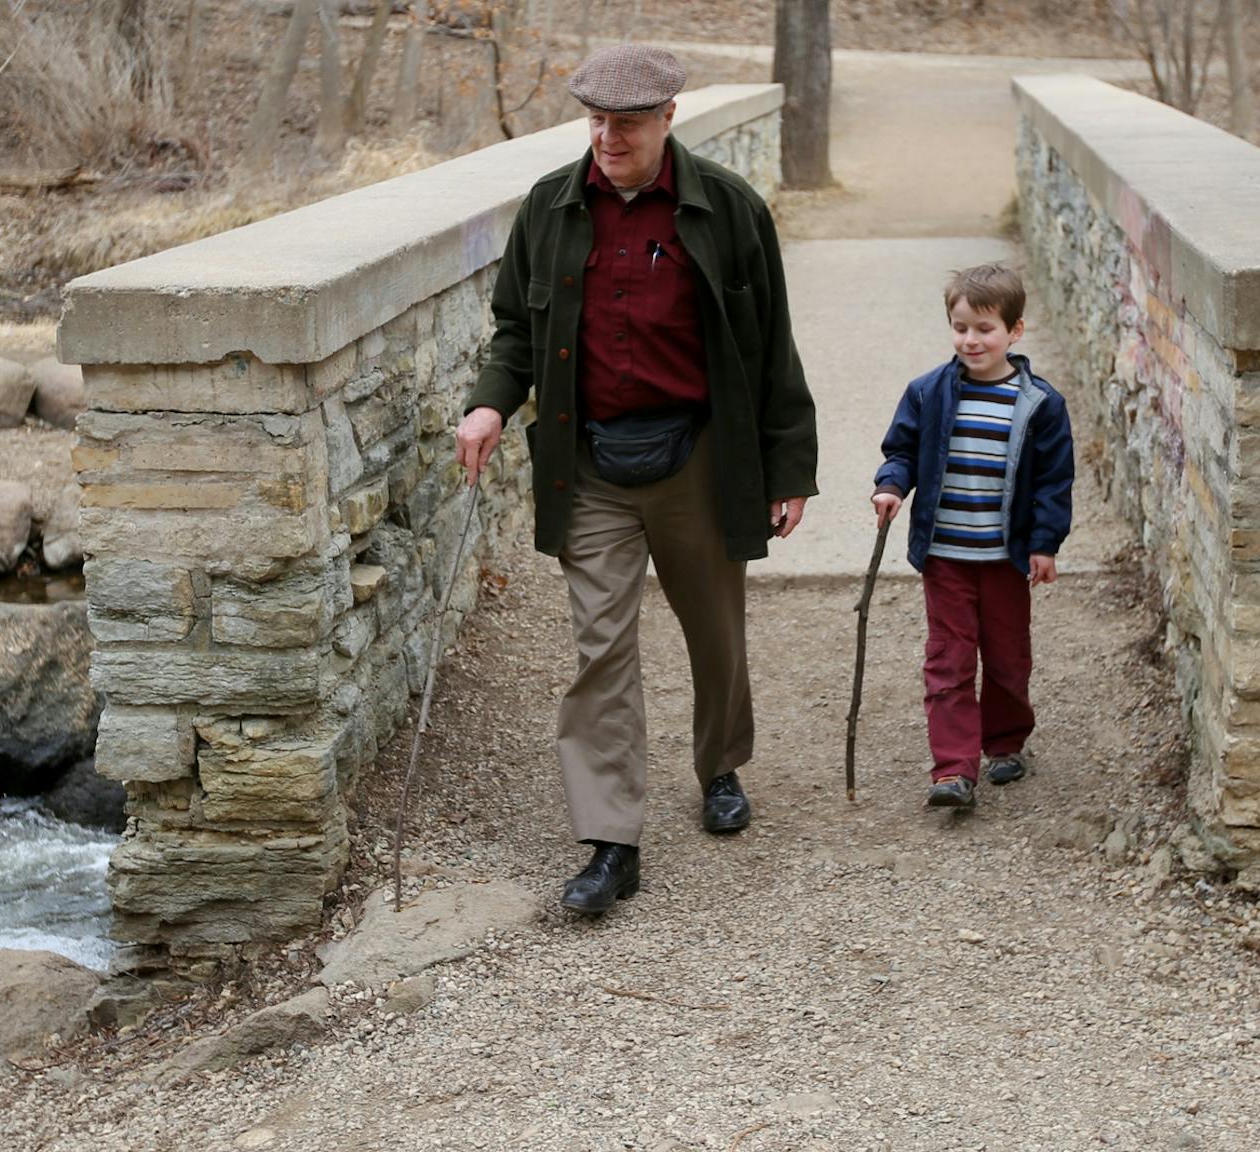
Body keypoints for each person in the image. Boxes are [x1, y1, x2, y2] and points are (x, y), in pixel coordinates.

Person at [455, 44, 819, 913]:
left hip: (698, 454)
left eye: (626, 122)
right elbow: (513, 332)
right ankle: (611, 841)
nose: (607, 137)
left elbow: (770, 346)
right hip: (589, 464)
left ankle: (720, 763)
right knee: (600, 648)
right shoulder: (548, 206)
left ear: (667, 120)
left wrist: (788, 464)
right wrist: (490, 406)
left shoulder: (728, 209)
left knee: (714, 630)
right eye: (595, 119)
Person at [871, 264, 1073, 809]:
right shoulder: (927, 392)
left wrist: (1045, 544)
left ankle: (1005, 742)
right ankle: (953, 769)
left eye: (984, 328)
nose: (970, 339)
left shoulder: (1040, 405)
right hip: (946, 556)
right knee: (949, 658)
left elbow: (1054, 482)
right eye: (960, 327)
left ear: (1015, 331)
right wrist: (892, 486)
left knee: (1008, 657)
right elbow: (903, 451)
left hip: (1005, 557)